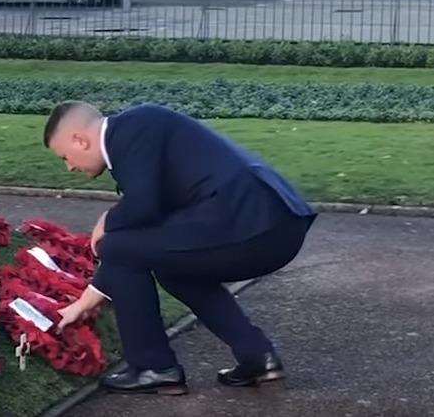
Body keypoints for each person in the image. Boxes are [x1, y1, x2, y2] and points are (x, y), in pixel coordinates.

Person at [45, 101, 316, 395]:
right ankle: (257, 355)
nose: (69, 166)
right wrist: (87, 300)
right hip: (270, 225)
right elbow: (145, 229)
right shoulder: (135, 133)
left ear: (79, 140)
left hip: (252, 223)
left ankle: (153, 366)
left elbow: (141, 210)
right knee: (172, 269)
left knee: (117, 244)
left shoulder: (132, 130)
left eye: (64, 157)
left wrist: (107, 220)